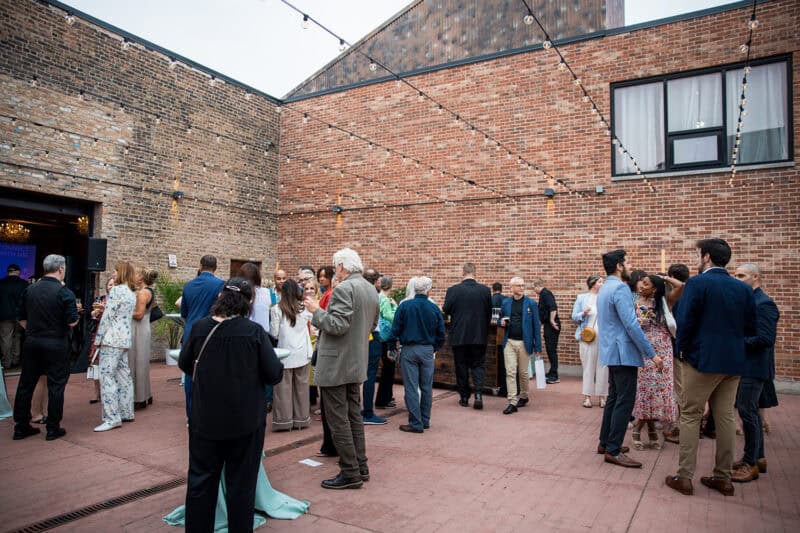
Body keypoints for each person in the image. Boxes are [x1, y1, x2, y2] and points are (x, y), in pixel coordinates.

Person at [178, 277, 285, 531]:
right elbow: (274, 374)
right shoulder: (254, 332)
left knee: (201, 482)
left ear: (220, 297)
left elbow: (185, 364)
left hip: (205, 419)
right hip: (244, 422)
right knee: (241, 485)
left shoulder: (200, 327)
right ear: (248, 302)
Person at [665, 238, 756, 497]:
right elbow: (750, 327)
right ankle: (723, 477)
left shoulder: (698, 283)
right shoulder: (743, 289)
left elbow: (685, 321)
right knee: (725, 416)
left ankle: (684, 477)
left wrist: (682, 352)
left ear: (706, 257)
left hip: (702, 360)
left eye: (698, 254)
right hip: (734, 360)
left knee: (691, 415)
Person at [304, 247, 379, 490]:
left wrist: (316, 311)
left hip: (337, 362)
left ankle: (350, 472)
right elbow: (372, 324)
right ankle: (360, 465)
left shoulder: (345, 288)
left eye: (336, 266)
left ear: (342, 267)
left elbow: (337, 325)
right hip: (356, 359)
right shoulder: (370, 289)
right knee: (353, 415)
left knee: (338, 419)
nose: (335, 270)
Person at [597, 249, 661, 468]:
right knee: (624, 400)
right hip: (623, 352)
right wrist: (652, 354)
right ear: (619, 266)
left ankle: (605, 443)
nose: (631, 267)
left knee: (615, 398)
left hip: (611, 351)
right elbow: (631, 324)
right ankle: (613, 449)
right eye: (628, 263)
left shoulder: (605, 287)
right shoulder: (621, 288)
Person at [12, 254, 79, 441]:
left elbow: (21, 318)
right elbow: (72, 321)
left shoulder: (30, 289)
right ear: (60, 269)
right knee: (56, 385)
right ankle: (52, 427)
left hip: (32, 341)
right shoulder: (64, 292)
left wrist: (34, 331)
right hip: (56, 342)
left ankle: (21, 426)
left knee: (26, 383)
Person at [731, 263, 779, 483]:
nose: (737, 279)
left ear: (755, 277)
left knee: (747, 412)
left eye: (741, 275)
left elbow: (765, 339)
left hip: (755, 367)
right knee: (749, 413)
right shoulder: (751, 302)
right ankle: (757, 457)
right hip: (747, 365)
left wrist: (735, 342)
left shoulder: (764, 304)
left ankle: (750, 463)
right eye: (736, 275)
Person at [388, 276, 444, 433]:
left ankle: (415, 422)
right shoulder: (434, 308)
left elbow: (395, 329)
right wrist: (435, 347)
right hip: (427, 349)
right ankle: (425, 420)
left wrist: (392, 346)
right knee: (426, 386)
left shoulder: (405, 306)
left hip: (409, 349)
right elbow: (441, 332)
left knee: (411, 387)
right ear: (428, 290)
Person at [631, 275, 677, 450]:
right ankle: (642, 428)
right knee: (646, 389)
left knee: (660, 389)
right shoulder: (633, 300)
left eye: (646, 283)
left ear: (655, 289)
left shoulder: (663, 302)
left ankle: (645, 427)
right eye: (641, 282)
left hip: (663, 348)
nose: (641, 285)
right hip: (644, 349)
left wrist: (665, 277)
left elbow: (682, 286)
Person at [93, 261, 137, 432]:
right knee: (124, 376)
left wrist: (98, 337)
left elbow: (107, 317)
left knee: (107, 377)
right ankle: (126, 412)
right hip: (124, 339)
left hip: (111, 339)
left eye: (115, 271)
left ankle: (112, 417)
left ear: (122, 273)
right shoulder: (131, 293)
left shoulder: (117, 290)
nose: (112, 273)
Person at [442, 263, 492, 409]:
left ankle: (464, 396)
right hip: (479, 334)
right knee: (478, 365)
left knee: (461, 365)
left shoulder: (453, 290)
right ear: (475, 272)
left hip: (459, 335)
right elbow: (488, 313)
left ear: (463, 272)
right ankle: (478, 393)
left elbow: (446, 310)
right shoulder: (485, 291)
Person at [180, 255, 225, 417]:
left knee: (189, 373)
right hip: (210, 332)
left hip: (190, 331)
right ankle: (207, 413)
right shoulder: (220, 284)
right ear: (216, 268)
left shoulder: (188, 285)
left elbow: (184, 312)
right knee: (210, 373)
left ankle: (190, 413)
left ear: (200, 267)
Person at [269, 279, 313, 431]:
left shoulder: (276, 309)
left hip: (285, 352)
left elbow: (274, 333)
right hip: (302, 351)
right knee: (301, 387)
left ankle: (284, 421)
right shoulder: (304, 308)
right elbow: (314, 327)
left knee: (283, 389)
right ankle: (301, 419)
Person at [498, 277, 542, 414]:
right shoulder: (506, 303)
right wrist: (501, 322)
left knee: (523, 373)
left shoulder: (531, 303)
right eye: (518, 285)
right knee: (510, 372)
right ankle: (512, 401)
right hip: (509, 342)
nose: (521, 288)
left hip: (525, 342)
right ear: (511, 288)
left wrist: (538, 347)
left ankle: (524, 395)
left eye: (523, 285)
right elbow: (499, 318)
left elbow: (536, 325)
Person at [571, 275, 607, 408]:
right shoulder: (582, 298)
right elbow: (574, 316)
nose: (602, 284)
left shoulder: (605, 298)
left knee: (603, 367)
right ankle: (587, 397)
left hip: (603, 337)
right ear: (593, 284)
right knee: (588, 367)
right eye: (600, 282)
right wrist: (583, 313)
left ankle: (603, 397)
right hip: (587, 337)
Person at [361, 268, 386, 425]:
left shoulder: (361, 293)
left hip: (361, 337)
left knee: (362, 375)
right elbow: (375, 319)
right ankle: (368, 412)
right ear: (376, 281)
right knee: (370, 376)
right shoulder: (374, 295)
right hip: (372, 336)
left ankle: (363, 409)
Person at [129, 268, 157, 410]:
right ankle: (146, 394)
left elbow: (139, 314)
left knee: (137, 361)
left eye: (137, 274)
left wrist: (125, 312)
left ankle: (139, 397)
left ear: (141, 278)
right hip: (143, 328)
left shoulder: (142, 293)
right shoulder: (149, 291)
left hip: (138, 329)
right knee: (141, 361)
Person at [375, 275, 398, 410]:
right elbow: (390, 316)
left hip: (379, 336)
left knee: (386, 368)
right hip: (387, 337)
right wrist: (395, 307)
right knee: (389, 369)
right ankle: (384, 399)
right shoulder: (385, 299)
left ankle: (386, 396)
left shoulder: (377, 297)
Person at [532, 278, 561, 384]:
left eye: (534, 287)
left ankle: (555, 375)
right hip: (548, 325)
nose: (534, 290)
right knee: (549, 349)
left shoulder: (546, 294)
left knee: (551, 349)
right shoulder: (543, 295)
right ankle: (552, 372)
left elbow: (553, 307)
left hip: (552, 326)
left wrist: (552, 321)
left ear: (537, 286)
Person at [0, 263, 28, 369]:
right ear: (18, 272)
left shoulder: (1, 283)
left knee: (5, 339)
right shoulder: (24, 284)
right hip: (20, 316)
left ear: (8, 272)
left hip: (4, 316)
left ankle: (6, 363)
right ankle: (16, 360)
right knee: (17, 337)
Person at [491, 282, 508, 397]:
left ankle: (497, 385)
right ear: (501, 289)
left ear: (493, 290)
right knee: (504, 362)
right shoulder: (506, 300)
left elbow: (490, 318)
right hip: (503, 333)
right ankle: (505, 386)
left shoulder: (490, 300)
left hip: (493, 332)